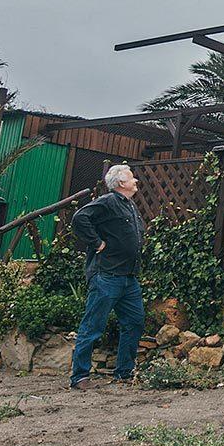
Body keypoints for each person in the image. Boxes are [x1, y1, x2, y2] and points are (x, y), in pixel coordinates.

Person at [67, 163, 145, 389]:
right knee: (93, 326)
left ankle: (125, 372)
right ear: (121, 183)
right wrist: (97, 243)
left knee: (134, 322)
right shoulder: (108, 201)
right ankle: (80, 377)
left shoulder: (129, 205)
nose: (135, 181)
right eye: (132, 178)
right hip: (107, 275)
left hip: (128, 278)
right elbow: (80, 218)